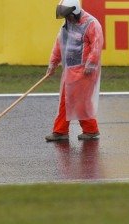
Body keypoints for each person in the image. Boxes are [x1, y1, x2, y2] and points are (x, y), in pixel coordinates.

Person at [45, 0, 104, 142]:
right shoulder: (67, 25)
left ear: (75, 12)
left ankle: (89, 130)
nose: (67, 19)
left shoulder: (91, 24)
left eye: (68, 16)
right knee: (66, 100)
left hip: (85, 71)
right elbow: (60, 44)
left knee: (81, 101)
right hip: (70, 70)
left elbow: (97, 44)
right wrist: (53, 63)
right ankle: (61, 131)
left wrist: (90, 64)